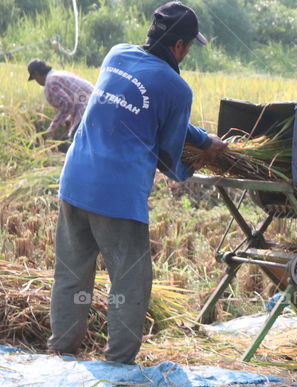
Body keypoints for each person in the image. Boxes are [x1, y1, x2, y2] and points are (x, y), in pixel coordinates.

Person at [48, 1, 226, 364]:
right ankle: (117, 363)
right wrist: (203, 157)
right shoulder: (177, 87)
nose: (188, 53)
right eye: (189, 46)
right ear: (179, 46)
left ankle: (60, 353)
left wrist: (204, 139)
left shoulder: (117, 55)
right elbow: (168, 155)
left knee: (71, 274)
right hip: (117, 195)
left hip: (76, 181)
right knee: (130, 283)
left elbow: (143, 111)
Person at [27, 59, 94, 139]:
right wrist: (69, 118)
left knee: (76, 142)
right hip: (95, 105)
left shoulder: (50, 83)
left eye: (35, 78)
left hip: (86, 111)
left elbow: (67, 104)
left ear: (36, 74)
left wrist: (53, 127)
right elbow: (75, 98)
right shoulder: (59, 74)